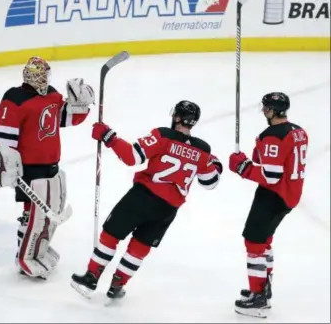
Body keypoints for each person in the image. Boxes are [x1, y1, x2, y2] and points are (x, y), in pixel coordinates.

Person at [71, 100, 223, 300]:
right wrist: (216, 165)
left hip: (143, 197)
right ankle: (117, 285)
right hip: (168, 210)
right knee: (141, 246)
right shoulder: (203, 149)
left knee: (111, 234)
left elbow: (131, 156)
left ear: (177, 117)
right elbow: (210, 182)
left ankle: (91, 277)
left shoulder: (163, 135)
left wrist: (109, 137)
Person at [0, 56, 94, 279]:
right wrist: (6, 164)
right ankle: (24, 257)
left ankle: (38, 251)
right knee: (32, 215)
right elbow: (2, 135)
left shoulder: (52, 94)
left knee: (49, 213)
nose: (47, 78)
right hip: (29, 167)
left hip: (51, 163)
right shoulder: (14, 98)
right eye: (44, 74)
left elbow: (65, 119)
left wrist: (80, 105)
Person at [229, 92, 308, 318]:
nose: (264, 112)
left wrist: (242, 167)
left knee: (254, 240)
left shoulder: (272, 136)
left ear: (273, 111)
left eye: (266, 108)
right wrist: (258, 152)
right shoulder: (299, 131)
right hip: (290, 194)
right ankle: (263, 286)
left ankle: (258, 298)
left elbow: (271, 175)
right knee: (265, 239)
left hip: (274, 195)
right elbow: (276, 160)